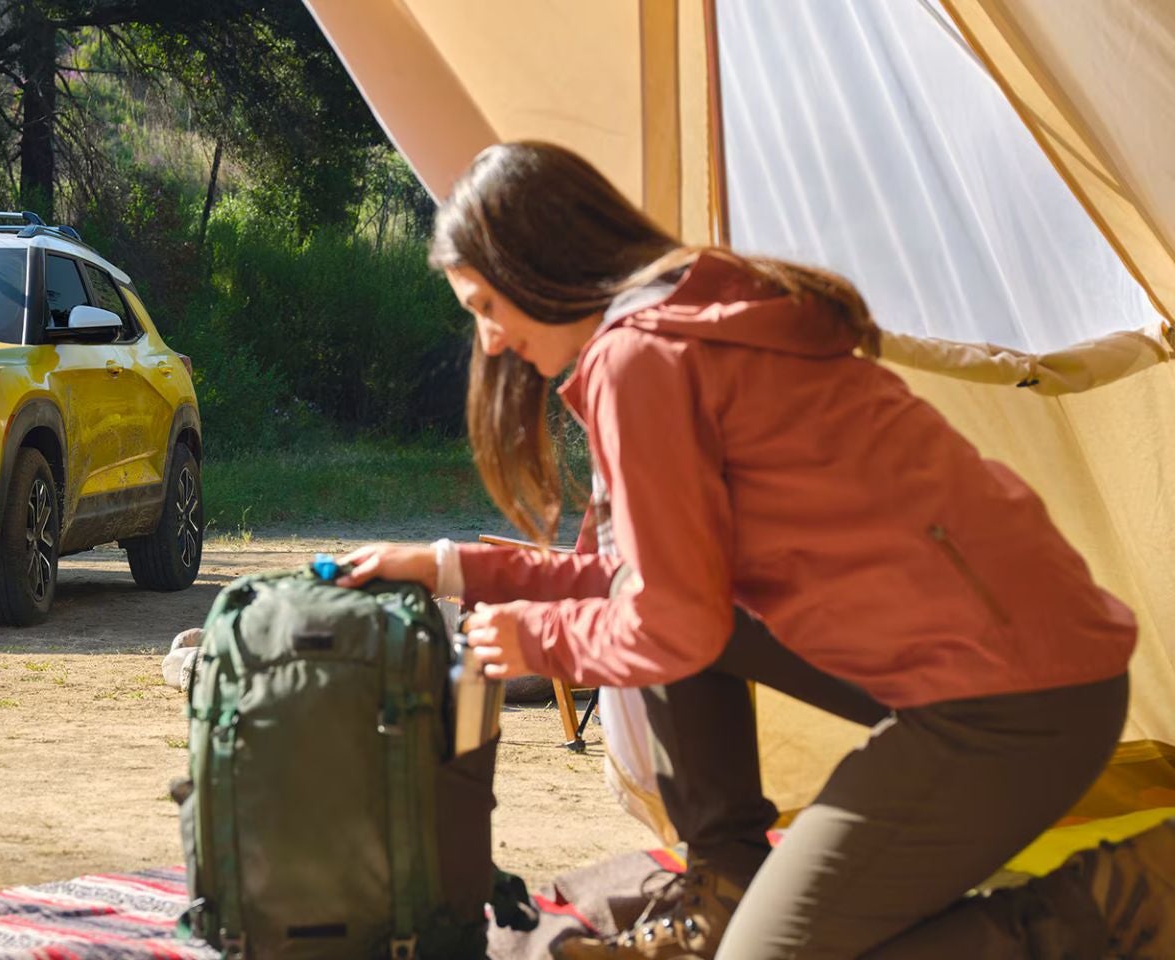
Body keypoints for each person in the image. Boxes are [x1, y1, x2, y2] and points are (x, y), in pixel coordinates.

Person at [338, 141, 1170, 959]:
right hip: (1011, 656)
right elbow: (652, 577)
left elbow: (671, 621)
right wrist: (455, 568)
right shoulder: (685, 315)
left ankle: (1120, 901)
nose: (487, 341)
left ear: (539, 264)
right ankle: (725, 885)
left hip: (1014, 700)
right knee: (673, 612)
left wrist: (536, 639)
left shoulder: (646, 357)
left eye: (486, 306)